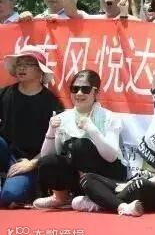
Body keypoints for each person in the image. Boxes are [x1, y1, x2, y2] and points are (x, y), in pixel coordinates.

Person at [77, 52, 155, 216]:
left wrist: (135, 183)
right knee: (87, 179)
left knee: (139, 185)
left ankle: (100, 202)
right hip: (135, 179)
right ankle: (121, 206)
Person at [33, 70, 127, 209]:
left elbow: (111, 156)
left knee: (80, 146)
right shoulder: (63, 118)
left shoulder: (109, 117)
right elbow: (47, 156)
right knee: (49, 162)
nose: (79, 93)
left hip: (110, 174)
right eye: (75, 89)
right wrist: (51, 130)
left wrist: (91, 129)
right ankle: (61, 197)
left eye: (85, 89)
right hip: (79, 177)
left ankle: (98, 196)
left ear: (96, 92)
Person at [0, 45, 63, 208]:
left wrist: (32, 163)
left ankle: (20, 185)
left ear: (41, 72)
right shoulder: (5, 94)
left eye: (28, 64)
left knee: (10, 195)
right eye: (19, 64)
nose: (22, 67)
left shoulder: (52, 103)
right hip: (5, 153)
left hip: (31, 160)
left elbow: (55, 144)